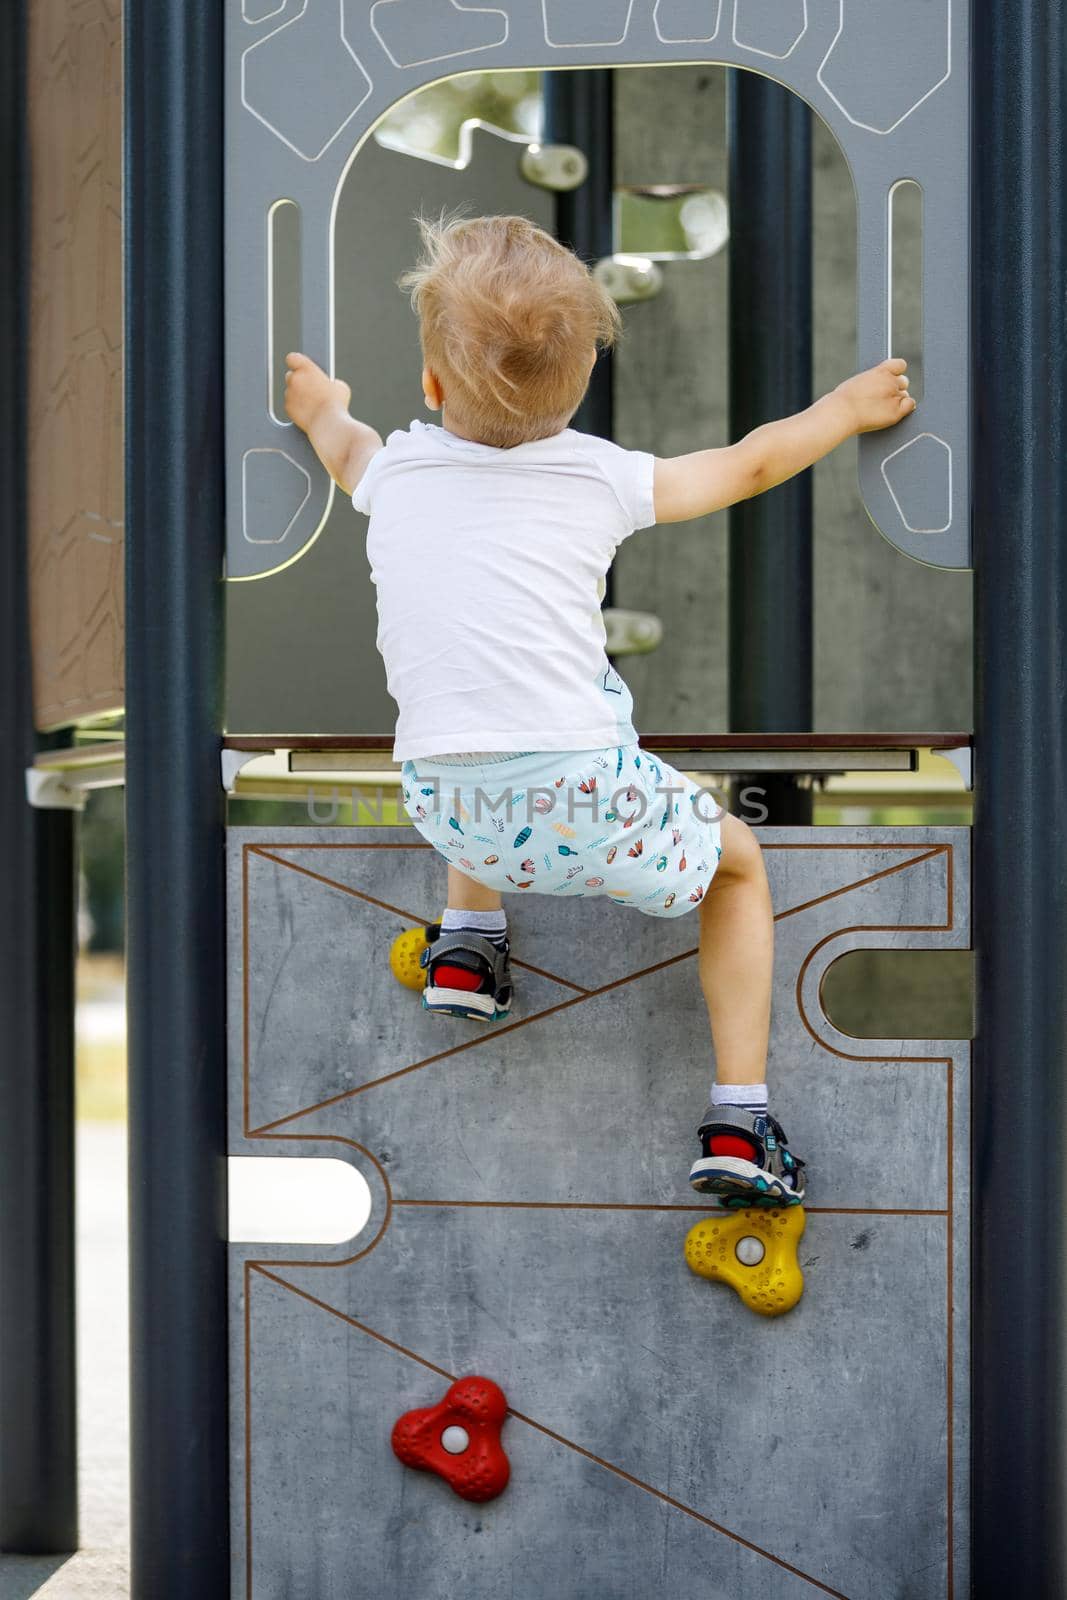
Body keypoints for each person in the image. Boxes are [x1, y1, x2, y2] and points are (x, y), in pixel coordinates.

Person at [284, 211, 916, 1210]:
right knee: (740, 869)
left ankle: (466, 945)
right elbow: (749, 464)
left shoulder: (397, 468)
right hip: (586, 791)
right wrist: (843, 406)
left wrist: (321, 402)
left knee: (476, 704)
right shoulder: (600, 475)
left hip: (441, 802)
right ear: (581, 386)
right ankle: (740, 1117)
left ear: (432, 385)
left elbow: (342, 443)